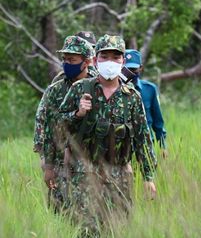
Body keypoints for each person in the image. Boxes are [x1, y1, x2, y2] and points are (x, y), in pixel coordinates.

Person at [58, 35, 157, 235]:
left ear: (122, 61)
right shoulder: (80, 89)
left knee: (117, 229)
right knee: (86, 231)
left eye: (116, 57)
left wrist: (148, 177)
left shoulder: (132, 97)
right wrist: (78, 113)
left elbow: (142, 138)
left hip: (119, 174)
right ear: (95, 60)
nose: (110, 61)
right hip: (84, 174)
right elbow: (59, 125)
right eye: (104, 56)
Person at [37, 35, 96, 211]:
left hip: (92, 160)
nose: (67, 63)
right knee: (60, 209)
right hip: (60, 158)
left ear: (86, 62)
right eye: (65, 59)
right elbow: (49, 129)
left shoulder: (98, 85)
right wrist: (47, 165)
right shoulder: (55, 90)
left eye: (72, 60)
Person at [125, 49, 168, 158]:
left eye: (133, 69)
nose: (130, 73)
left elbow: (158, 121)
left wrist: (163, 146)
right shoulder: (115, 90)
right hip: (123, 146)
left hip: (146, 145)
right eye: (127, 69)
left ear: (141, 68)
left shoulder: (149, 89)